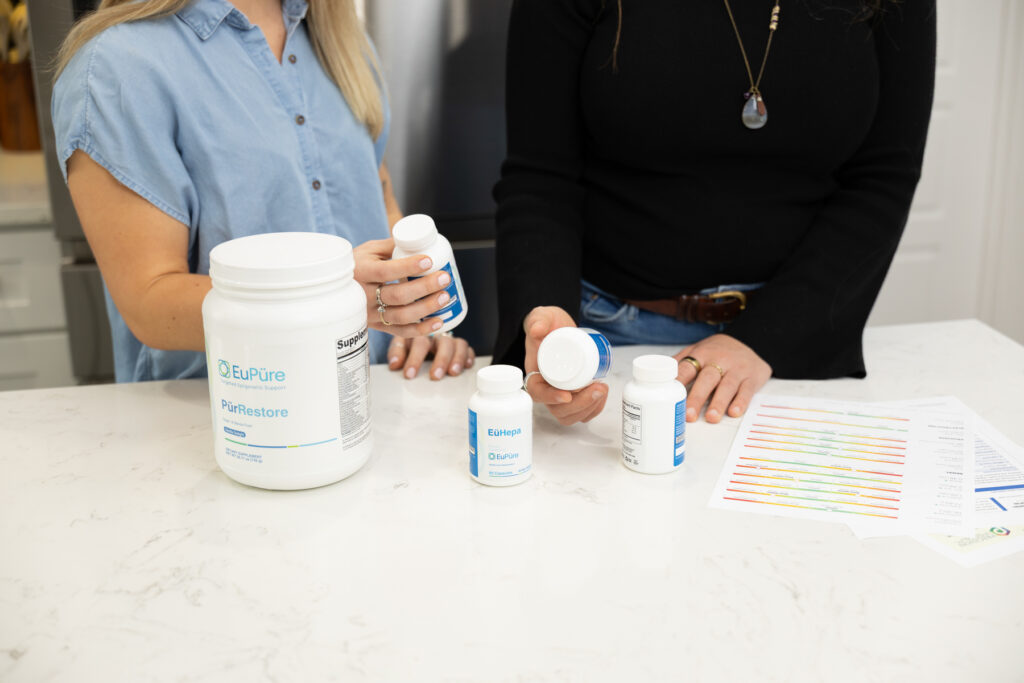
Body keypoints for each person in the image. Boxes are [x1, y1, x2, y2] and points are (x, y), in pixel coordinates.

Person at [493, 0, 935, 425]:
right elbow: (541, 177)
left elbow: (883, 176)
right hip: (602, 340)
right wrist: (547, 326)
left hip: (795, 339)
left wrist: (764, 339)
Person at [52, 0, 473, 383]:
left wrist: (415, 321)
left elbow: (380, 203)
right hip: (219, 423)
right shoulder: (117, 68)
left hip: (369, 400)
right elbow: (150, 303)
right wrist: (329, 300)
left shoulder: (340, 39)